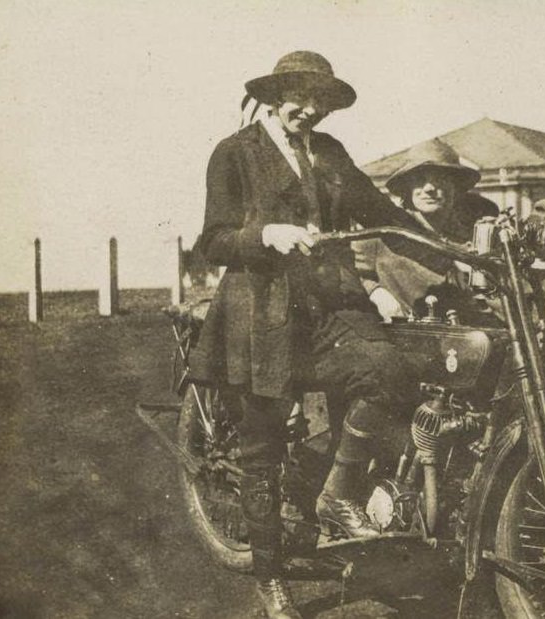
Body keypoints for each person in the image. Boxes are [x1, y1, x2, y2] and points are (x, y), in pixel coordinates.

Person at [189, 51, 449, 619]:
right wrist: (267, 233)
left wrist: (452, 254)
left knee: (389, 370)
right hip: (259, 316)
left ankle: (336, 497)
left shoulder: (329, 154)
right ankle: (270, 576)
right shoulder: (235, 153)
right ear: (275, 94)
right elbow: (212, 241)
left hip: (329, 308)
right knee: (262, 448)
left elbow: (382, 211)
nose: (310, 110)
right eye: (299, 98)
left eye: (321, 101)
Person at [355, 138, 500, 324]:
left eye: (440, 180)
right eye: (419, 180)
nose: (429, 188)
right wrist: (375, 292)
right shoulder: (386, 233)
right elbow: (348, 273)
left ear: (455, 188)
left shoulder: (471, 240)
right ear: (407, 188)